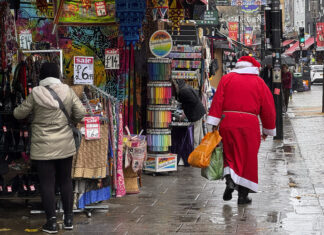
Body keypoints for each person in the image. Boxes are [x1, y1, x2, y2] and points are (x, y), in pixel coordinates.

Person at [13, 62, 86, 234]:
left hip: (43, 146)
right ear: (58, 75)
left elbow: (18, 113)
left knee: (47, 184)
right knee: (66, 181)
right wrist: (71, 120)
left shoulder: (36, 93)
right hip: (65, 145)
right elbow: (81, 112)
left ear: (42, 76)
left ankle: (51, 223)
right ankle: (68, 220)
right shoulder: (68, 90)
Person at [206, 56, 276, 205]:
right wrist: (267, 129)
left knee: (229, 154)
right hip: (249, 125)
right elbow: (268, 108)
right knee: (248, 159)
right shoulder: (259, 83)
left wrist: (214, 122)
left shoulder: (226, 79)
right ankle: (243, 196)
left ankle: (230, 180)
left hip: (227, 122)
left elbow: (217, 101)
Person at [172, 79, 206, 148]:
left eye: (175, 86)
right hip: (199, 112)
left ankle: (195, 149)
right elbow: (191, 102)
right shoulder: (186, 87)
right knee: (199, 133)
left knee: (195, 133)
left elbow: (190, 103)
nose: (174, 88)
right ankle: (201, 150)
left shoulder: (182, 91)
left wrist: (185, 113)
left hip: (195, 114)